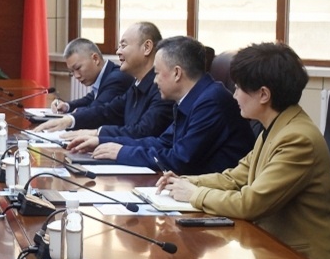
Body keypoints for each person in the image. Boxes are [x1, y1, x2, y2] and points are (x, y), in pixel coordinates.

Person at [157, 42, 330, 259]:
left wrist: (195, 194)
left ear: (263, 95)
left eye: (239, 88)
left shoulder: (297, 140)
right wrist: (185, 181)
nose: (234, 95)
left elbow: (250, 204)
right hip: (277, 257)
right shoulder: (275, 128)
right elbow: (234, 178)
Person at [91, 36, 254, 174]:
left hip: (218, 192)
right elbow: (163, 142)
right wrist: (104, 142)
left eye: (157, 73)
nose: (155, 81)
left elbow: (180, 160)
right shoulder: (193, 97)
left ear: (177, 73)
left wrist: (122, 153)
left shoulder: (211, 101)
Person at [64, 22, 174, 151]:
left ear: (147, 47)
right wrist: (70, 120)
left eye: (123, 46)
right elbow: (108, 111)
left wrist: (97, 134)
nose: (118, 51)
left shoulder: (162, 89)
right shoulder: (137, 84)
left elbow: (143, 131)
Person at [35, 38, 131, 132]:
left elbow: (97, 111)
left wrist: (73, 117)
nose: (76, 76)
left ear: (95, 59)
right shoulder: (107, 75)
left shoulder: (116, 78)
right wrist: (66, 106)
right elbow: (89, 99)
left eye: (78, 68)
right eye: (72, 71)